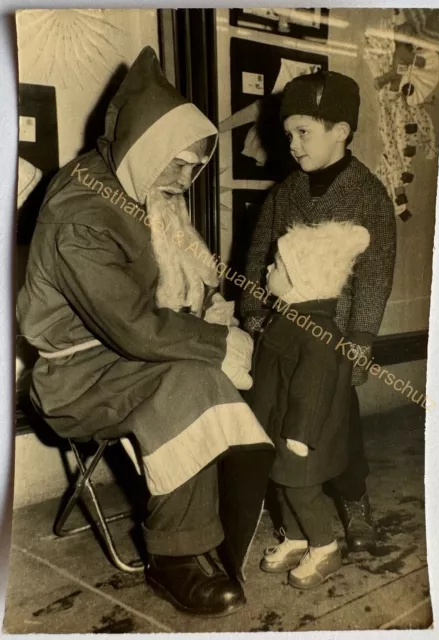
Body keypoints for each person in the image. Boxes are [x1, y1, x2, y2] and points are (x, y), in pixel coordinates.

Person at [17, 46, 274, 618]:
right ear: (143, 147)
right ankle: (175, 558)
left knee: (211, 369)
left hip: (115, 357)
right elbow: (134, 328)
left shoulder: (137, 185)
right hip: (73, 379)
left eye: (193, 167)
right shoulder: (83, 212)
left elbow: (178, 281)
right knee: (188, 382)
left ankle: (208, 528)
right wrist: (216, 342)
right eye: (177, 164)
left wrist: (210, 311)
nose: (185, 180)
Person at [241, 70, 397, 554]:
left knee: (339, 425)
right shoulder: (283, 194)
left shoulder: (368, 196)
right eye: (288, 134)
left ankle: (353, 500)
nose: (293, 144)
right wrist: (251, 315)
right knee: (281, 421)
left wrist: (361, 339)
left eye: (303, 132)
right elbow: (258, 258)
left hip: (335, 340)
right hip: (282, 335)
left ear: (341, 131)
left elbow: (374, 275)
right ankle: (290, 511)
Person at [247, 221, 370, 589]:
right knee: (282, 484)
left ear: (302, 277)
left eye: (277, 266)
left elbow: (312, 389)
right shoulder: (287, 318)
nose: (267, 270)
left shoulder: (317, 333)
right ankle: (298, 539)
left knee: (301, 490)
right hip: (279, 424)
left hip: (303, 435)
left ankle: (325, 547)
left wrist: (300, 434)